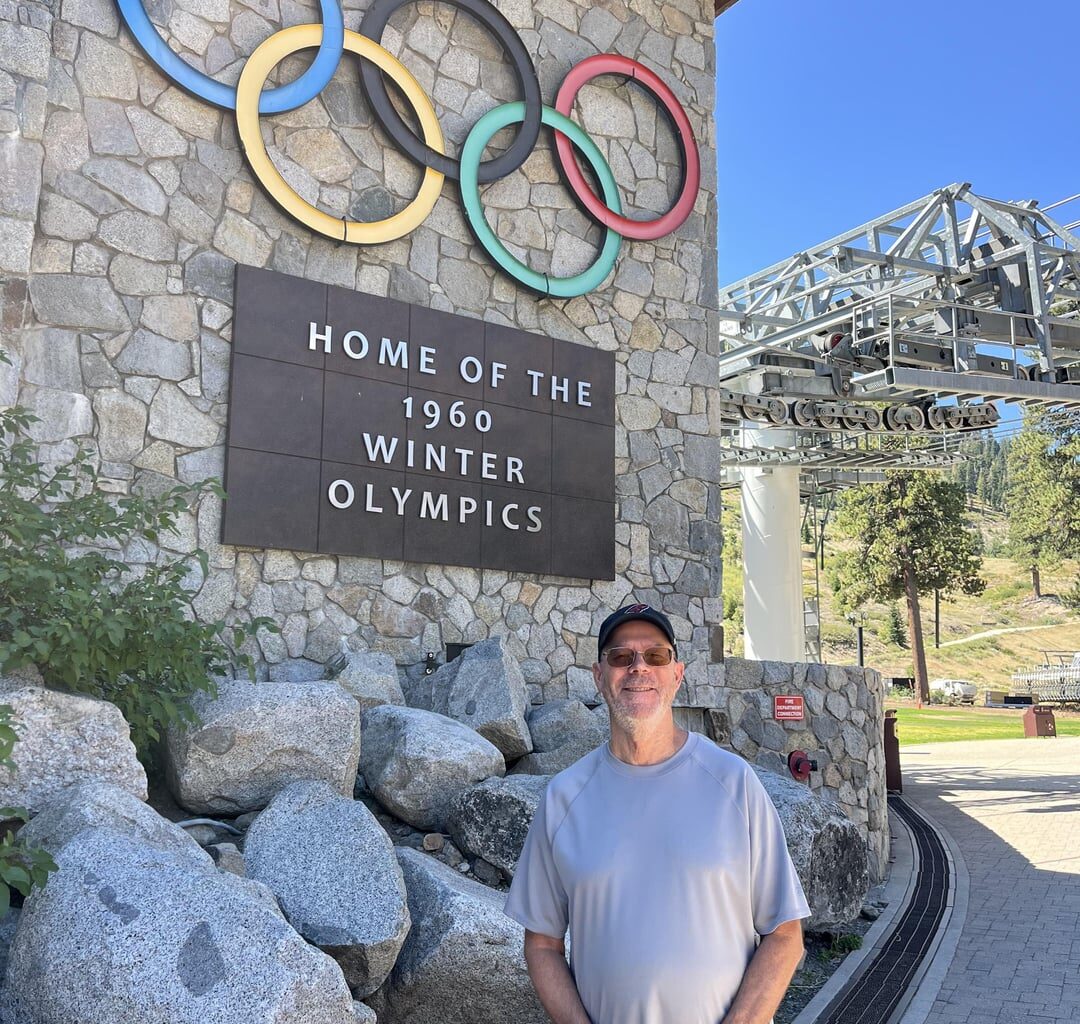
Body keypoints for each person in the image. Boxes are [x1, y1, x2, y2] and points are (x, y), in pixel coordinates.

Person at [504, 602, 810, 1024]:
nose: (638, 668)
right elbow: (541, 944)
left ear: (676, 674)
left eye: (655, 655)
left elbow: (785, 934)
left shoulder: (733, 783)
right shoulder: (564, 798)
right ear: (599, 676)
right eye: (620, 656)